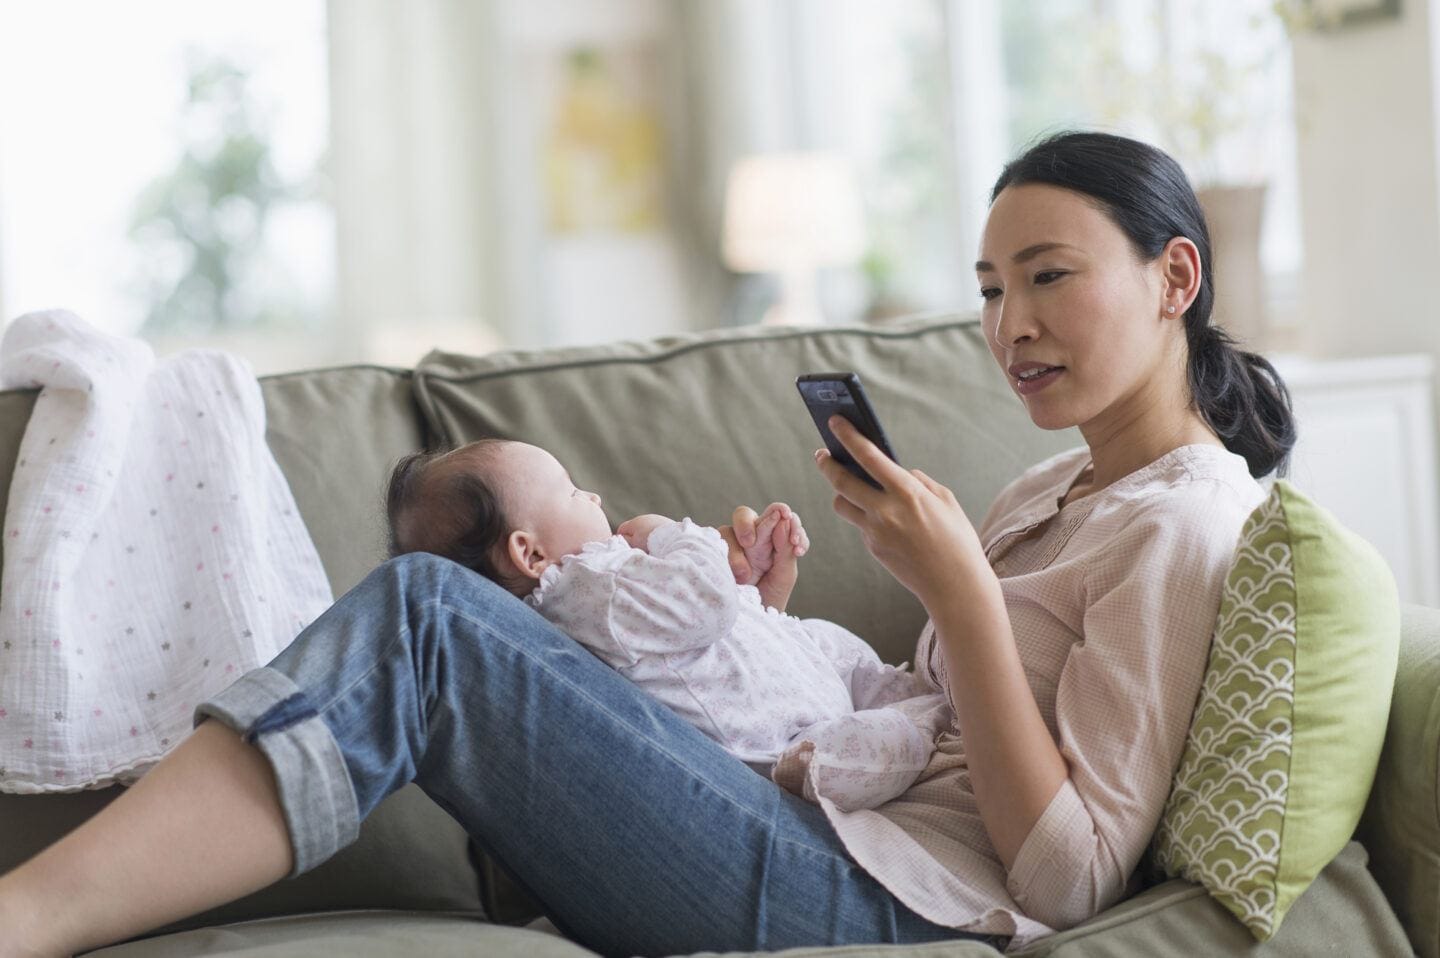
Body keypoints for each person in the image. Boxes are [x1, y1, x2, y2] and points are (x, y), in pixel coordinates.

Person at [0, 130, 1295, 957]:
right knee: (452, 619)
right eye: (990, 285)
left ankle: (29, 917)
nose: (1011, 322)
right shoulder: (1048, 485)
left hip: (889, 899)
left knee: (426, 618)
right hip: (834, 820)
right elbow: (918, 714)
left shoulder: (1185, 522)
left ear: (1176, 276)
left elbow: (1068, 880)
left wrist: (956, 595)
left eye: (1049, 274)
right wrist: (761, 612)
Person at [384, 438, 949, 811]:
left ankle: (914, 699)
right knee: (892, 738)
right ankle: (930, 714)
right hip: (788, 746)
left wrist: (752, 587)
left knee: (824, 637)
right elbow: (704, 606)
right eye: (573, 491)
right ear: (529, 556)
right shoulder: (588, 590)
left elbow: (698, 644)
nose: (595, 495)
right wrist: (676, 534)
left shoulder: (602, 589)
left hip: (785, 703)